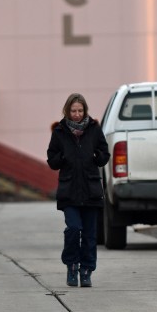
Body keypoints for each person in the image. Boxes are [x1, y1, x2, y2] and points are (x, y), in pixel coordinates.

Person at [46, 92, 110, 288]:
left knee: (90, 235)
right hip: (69, 191)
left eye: (80, 110)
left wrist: (97, 155)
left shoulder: (94, 129)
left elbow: (104, 154)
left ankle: (87, 270)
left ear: (85, 111)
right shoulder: (60, 131)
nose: (77, 114)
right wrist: (62, 158)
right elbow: (52, 160)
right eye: (73, 110)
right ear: (67, 110)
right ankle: (72, 266)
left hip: (91, 191)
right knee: (74, 229)